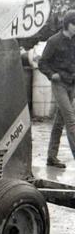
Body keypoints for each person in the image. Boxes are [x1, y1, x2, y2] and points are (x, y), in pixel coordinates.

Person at [38, 10, 75, 168]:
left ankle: (51, 157)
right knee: (71, 121)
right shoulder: (54, 41)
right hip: (59, 83)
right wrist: (51, 74)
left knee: (59, 122)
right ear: (67, 24)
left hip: (72, 83)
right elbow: (42, 63)